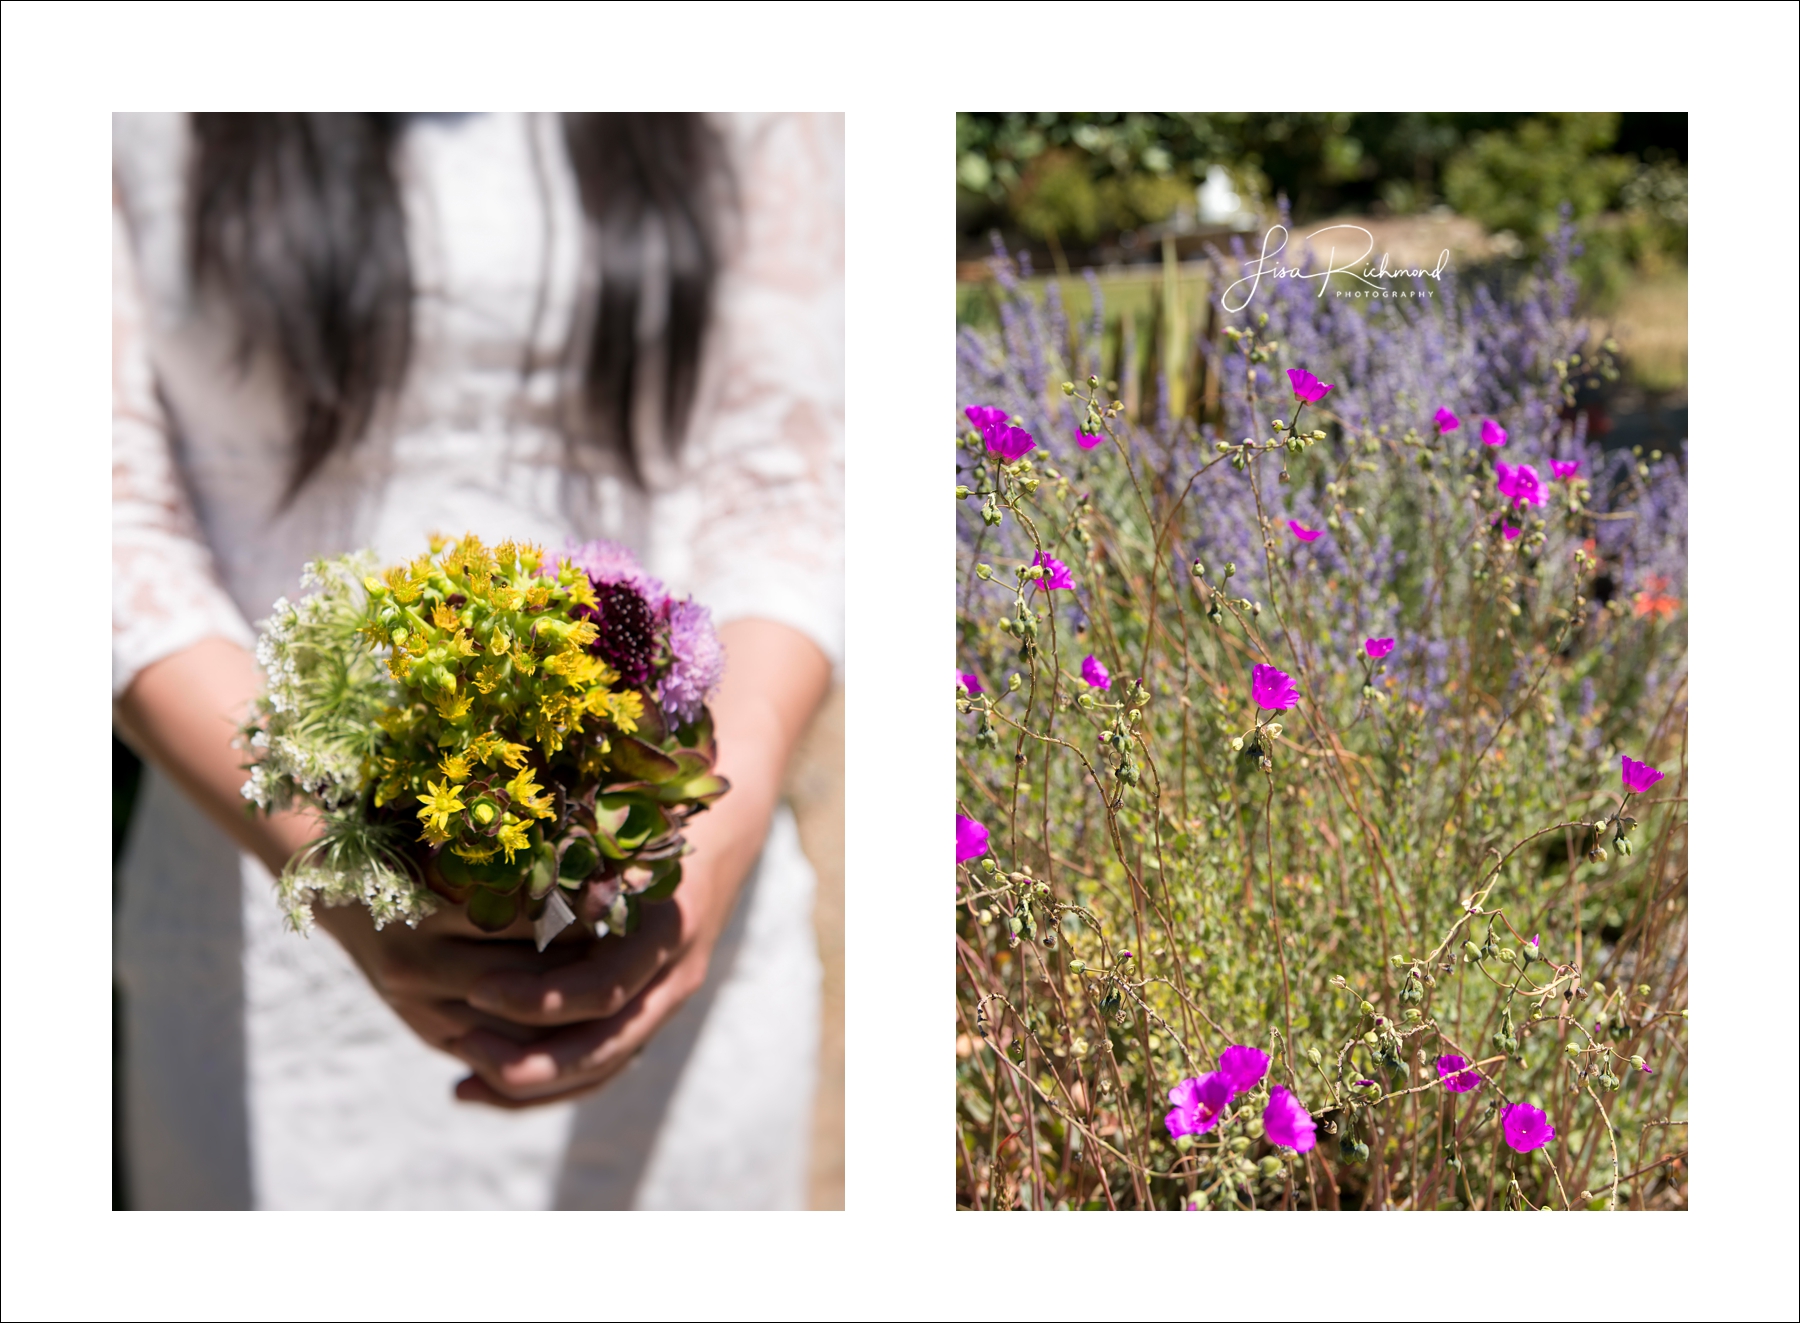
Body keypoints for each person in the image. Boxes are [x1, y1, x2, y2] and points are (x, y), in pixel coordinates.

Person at [111, 111, 842, 1209]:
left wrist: (704, 844)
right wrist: (342, 861)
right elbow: (103, 511)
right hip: (266, 900)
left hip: (667, 912)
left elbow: (792, 481)